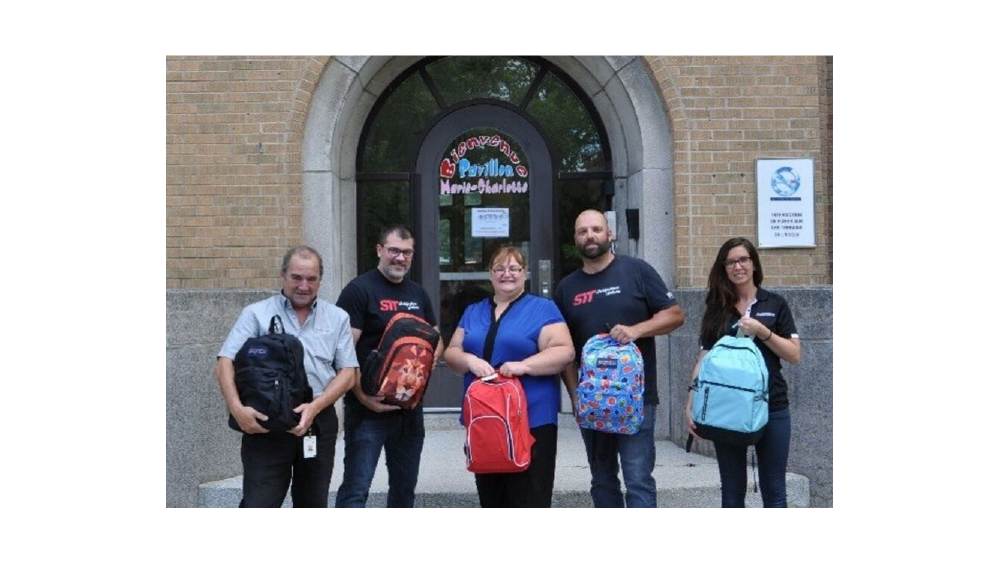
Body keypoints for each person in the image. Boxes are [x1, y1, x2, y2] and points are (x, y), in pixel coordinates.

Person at [553, 210, 685, 508]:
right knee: (602, 479)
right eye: (583, 231)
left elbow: (675, 315)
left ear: (610, 234)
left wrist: (636, 329)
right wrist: (575, 396)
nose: (590, 236)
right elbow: (566, 351)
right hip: (593, 402)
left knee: (637, 479)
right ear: (575, 239)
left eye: (596, 229)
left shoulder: (637, 271)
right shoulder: (567, 288)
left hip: (635, 400)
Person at [215, 245, 359, 508]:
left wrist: (314, 407)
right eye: (296, 277)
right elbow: (225, 362)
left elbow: (348, 372)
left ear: (320, 280)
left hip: (317, 421)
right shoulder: (256, 314)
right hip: (265, 424)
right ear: (283, 275)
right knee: (260, 504)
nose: (303, 285)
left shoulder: (337, 317)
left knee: (312, 505)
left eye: (311, 279)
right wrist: (237, 410)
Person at [444, 245, 575, 507]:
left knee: (529, 499)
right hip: (484, 420)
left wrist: (524, 366)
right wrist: (470, 360)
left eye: (514, 268)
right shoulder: (473, 311)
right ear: (490, 274)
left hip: (531, 419)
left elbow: (565, 352)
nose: (507, 274)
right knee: (492, 498)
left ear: (525, 273)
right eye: (500, 268)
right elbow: (451, 353)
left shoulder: (543, 309)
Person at [685, 237, 800, 508]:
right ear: (724, 268)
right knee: (732, 492)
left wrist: (763, 331)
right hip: (727, 410)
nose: (738, 266)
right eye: (731, 262)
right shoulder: (717, 308)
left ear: (753, 264)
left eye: (743, 260)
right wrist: (691, 402)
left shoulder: (775, 303)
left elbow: (794, 354)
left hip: (773, 406)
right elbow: (703, 359)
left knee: (774, 490)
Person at [334, 225, 443, 508]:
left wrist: (420, 375)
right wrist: (362, 396)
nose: (400, 258)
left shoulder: (418, 293)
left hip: (409, 411)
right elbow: (342, 351)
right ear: (379, 250)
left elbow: (436, 338)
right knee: (356, 489)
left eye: (407, 252)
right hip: (367, 409)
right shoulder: (358, 290)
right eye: (394, 250)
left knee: (404, 491)